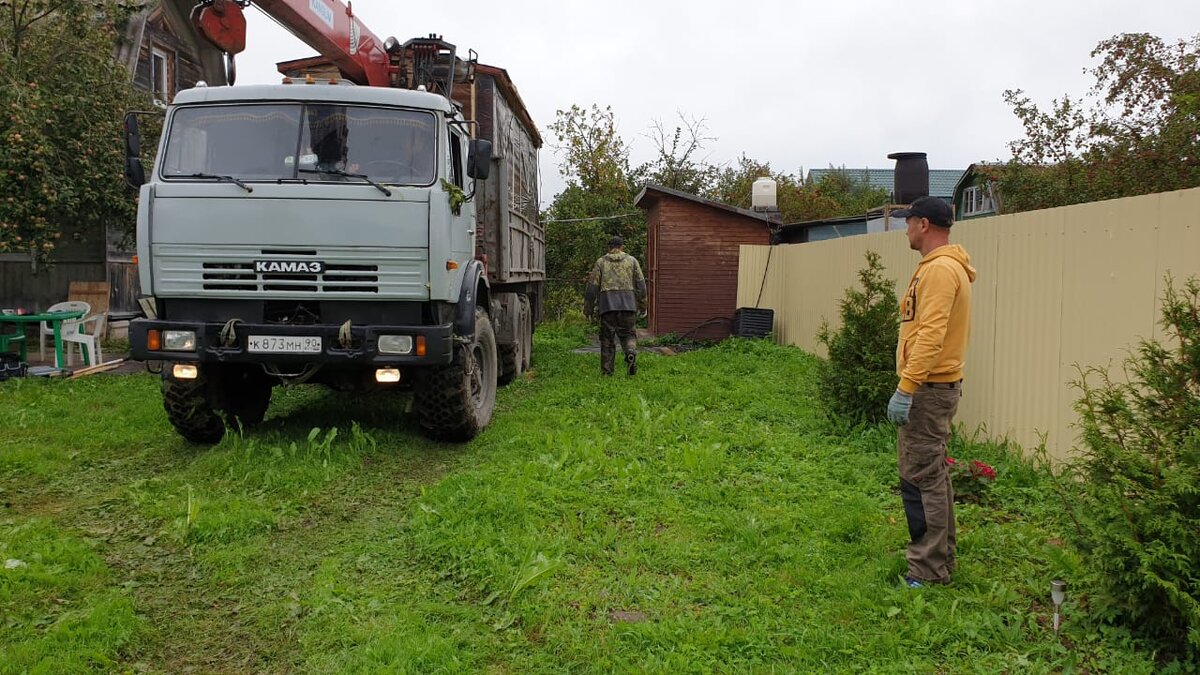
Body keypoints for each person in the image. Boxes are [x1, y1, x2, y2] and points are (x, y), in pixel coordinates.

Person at [885, 196, 977, 589]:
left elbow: (931, 335)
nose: (905, 229)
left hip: (928, 389)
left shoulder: (940, 271)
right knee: (931, 475)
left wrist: (907, 387)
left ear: (924, 224)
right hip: (932, 387)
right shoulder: (938, 268)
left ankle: (927, 569)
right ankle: (939, 558)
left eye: (908, 222)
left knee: (921, 477)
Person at [584, 235, 647, 376]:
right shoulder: (632, 261)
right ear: (622, 247)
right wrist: (643, 305)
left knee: (607, 338)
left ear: (609, 247)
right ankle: (630, 352)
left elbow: (592, 287)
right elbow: (641, 286)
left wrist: (587, 309)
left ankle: (607, 372)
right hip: (628, 304)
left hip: (607, 306)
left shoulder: (601, 262)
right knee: (629, 334)